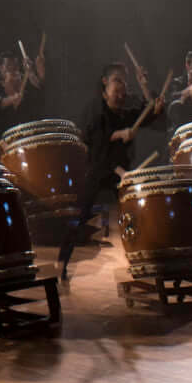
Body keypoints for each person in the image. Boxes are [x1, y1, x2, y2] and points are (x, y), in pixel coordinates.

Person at [56, 62, 166, 279]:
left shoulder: (125, 113)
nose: (122, 86)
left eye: (124, 82)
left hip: (120, 173)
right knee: (78, 217)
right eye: (117, 80)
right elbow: (97, 149)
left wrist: (146, 88)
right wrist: (118, 136)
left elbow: (153, 114)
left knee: (136, 213)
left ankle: (149, 263)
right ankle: (62, 262)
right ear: (105, 83)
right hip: (98, 171)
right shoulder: (96, 110)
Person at [0, 48, 46, 159]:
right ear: (0, 68)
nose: (13, 69)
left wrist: (33, 73)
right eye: (8, 66)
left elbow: (40, 95)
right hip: (1, 144)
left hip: (25, 144)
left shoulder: (25, 85)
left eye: (16, 66)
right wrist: (13, 97)